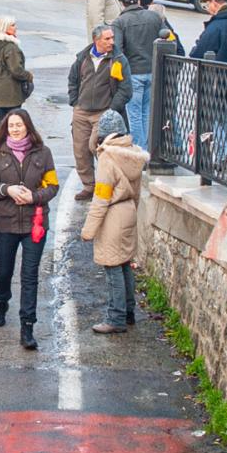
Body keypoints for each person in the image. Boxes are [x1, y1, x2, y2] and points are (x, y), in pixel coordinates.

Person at [0, 109, 58, 350]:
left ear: (28, 126)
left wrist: (34, 197)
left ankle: (27, 326)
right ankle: (1, 302)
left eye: (19, 125)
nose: (15, 129)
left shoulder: (43, 153)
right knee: (4, 270)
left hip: (35, 223)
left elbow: (53, 186)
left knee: (29, 275)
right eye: (11, 125)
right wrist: (8, 190)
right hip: (6, 222)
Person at [82, 111, 145, 334]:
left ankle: (115, 317)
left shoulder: (108, 158)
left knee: (112, 267)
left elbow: (101, 198)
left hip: (112, 217)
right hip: (128, 210)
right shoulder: (132, 153)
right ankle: (128, 312)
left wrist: (88, 230)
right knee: (125, 263)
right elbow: (137, 193)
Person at [67, 23, 126, 195]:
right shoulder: (83, 58)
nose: (111, 42)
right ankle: (89, 187)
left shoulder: (118, 60)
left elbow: (125, 89)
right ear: (96, 40)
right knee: (80, 151)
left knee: (96, 147)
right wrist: (75, 102)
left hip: (103, 112)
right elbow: (73, 80)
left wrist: (111, 109)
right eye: (107, 38)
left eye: (112, 38)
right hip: (81, 111)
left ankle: (107, 185)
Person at [115, 0, 176, 149]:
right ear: (140, 1)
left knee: (134, 114)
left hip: (133, 73)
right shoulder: (154, 17)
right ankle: (147, 148)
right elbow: (168, 37)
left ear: (123, 4)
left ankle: (139, 150)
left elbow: (117, 50)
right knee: (146, 112)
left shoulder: (120, 21)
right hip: (153, 71)